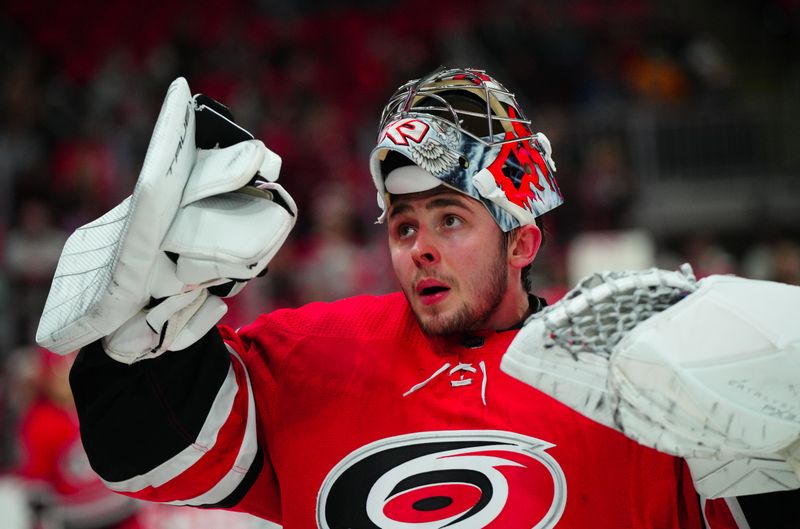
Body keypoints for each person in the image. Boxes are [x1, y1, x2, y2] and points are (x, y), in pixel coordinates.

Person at [38, 67, 796, 528]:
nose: (419, 245)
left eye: (451, 218)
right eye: (403, 223)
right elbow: (150, 460)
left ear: (523, 240)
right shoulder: (316, 358)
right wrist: (151, 339)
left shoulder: (635, 365)